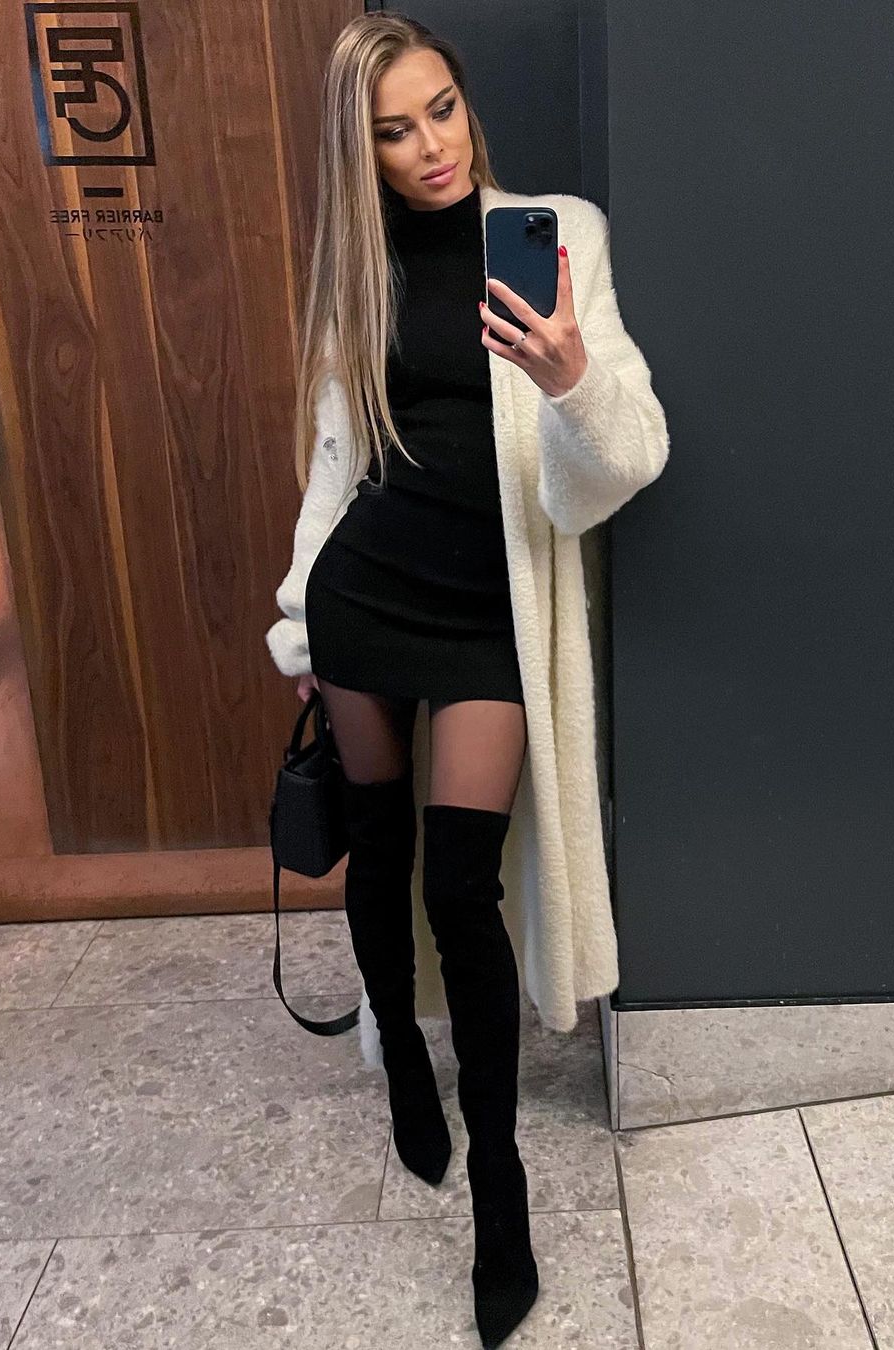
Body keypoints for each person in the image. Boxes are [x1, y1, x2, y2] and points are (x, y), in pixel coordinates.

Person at [265, 12, 669, 1348]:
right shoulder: (355, 270)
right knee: (377, 849)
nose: (432, 146)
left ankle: (501, 1185)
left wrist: (572, 381)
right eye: (394, 130)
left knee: (460, 885)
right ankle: (401, 1064)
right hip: (368, 595)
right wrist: (300, 621)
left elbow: (628, 455)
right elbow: (337, 466)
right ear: (361, 151)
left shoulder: (558, 235)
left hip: (494, 608)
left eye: (442, 108)